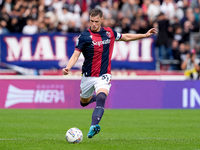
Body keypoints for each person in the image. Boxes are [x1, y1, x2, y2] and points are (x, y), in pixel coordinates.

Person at [62, 8, 157, 138]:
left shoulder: (109, 33)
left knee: (102, 98)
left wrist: (144, 35)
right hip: (88, 76)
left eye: (96, 21)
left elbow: (125, 36)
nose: (93, 24)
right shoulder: (84, 37)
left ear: (101, 20)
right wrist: (68, 67)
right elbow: (75, 55)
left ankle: (93, 126)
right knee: (83, 102)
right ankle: (93, 99)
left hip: (103, 75)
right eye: (91, 21)